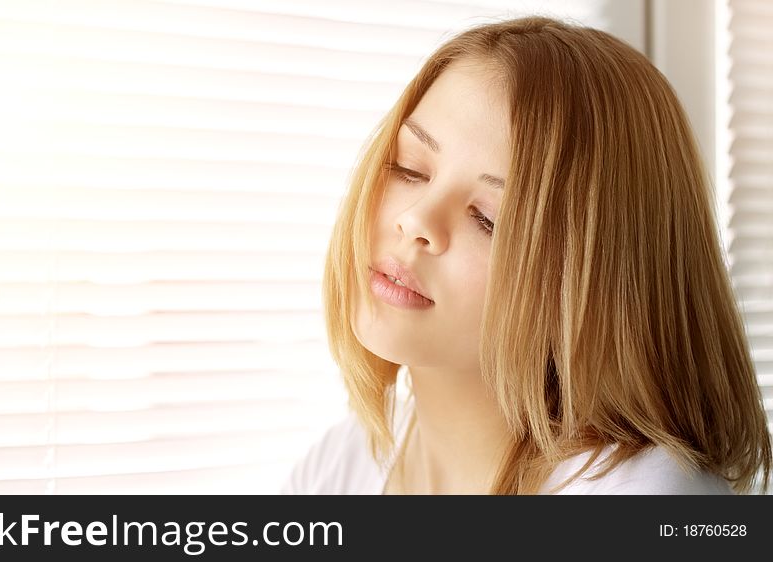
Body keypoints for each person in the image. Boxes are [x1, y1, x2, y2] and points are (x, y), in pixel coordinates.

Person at [281, 16, 771, 494]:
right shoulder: (341, 466)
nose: (417, 221)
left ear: (588, 285)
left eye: (489, 220)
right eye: (409, 169)